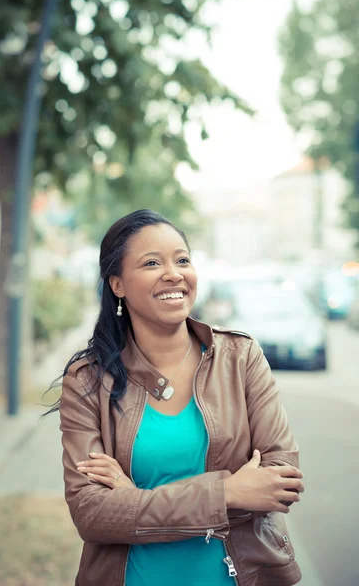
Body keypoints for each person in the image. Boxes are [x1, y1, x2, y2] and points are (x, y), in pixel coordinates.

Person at [58, 209, 304, 586]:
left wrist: (134, 499)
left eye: (183, 260)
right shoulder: (89, 379)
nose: (173, 273)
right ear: (118, 284)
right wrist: (228, 492)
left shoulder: (240, 357)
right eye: (152, 262)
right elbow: (91, 514)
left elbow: (280, 484)